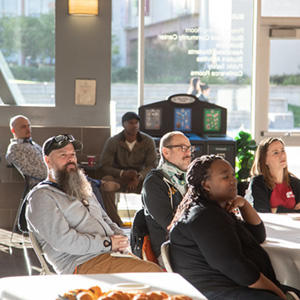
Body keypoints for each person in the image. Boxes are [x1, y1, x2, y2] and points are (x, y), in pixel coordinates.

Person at [25, 134, 162, 275]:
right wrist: (107, 243)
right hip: (81, 264)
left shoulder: (80, 187)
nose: (71, 158)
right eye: (63, 154)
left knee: (157, 273)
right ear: (48, 160)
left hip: (110, 254)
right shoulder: (42, 197)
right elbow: (63, 241)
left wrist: (120, 238)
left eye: (73, 154)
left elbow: (105, 219)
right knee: (154, 275)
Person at [168, 154, 300, 300]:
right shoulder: (205, 216)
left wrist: (243, 204)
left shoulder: (214, 210)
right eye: (225, 177)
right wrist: (278, 292)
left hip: (235, 287)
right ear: (206, 185)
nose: (234, 180)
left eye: (233, 175)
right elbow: (235, 266)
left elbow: (257, 235)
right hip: (219, 293)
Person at [5, 115, 117, 209]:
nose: (28, 129)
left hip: (55, 175)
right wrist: (54, 174)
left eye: (29, 125)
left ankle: (98, 190)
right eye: (23, 126)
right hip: (43, 182)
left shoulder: (33, 144)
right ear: (13, 130)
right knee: (88, 187)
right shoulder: (15, 148)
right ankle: (99, 185)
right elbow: (28, 170)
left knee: (84, 184)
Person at [141, 131, 192, 266]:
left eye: (189, 148)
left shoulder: (189, 179)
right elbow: (170, 225)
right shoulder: (154, 182)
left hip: (191, 244)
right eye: (182, 148)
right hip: (169, 250)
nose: (188, 152)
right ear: (166, 152)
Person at [99, 111, 158, 227]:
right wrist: (122, 173)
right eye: (131, 123)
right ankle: (114, 223)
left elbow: (152, 165)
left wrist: (139, 177)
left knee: (154, 183)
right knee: (106, 181)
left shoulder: (148, 141)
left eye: (136, 123)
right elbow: (104, 165)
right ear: (123, 124)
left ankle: (149, 222)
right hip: (119, 178)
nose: (134, 125)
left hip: (139, 179)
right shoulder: (113, 141)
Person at [248, 137, 300, 213]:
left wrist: (275, 210)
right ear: (265, 160)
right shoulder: (258, 183)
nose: (282, 155)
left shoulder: (296, 183)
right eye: (275, 153)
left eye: (282, 150)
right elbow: (262, 212)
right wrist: (292, 211)